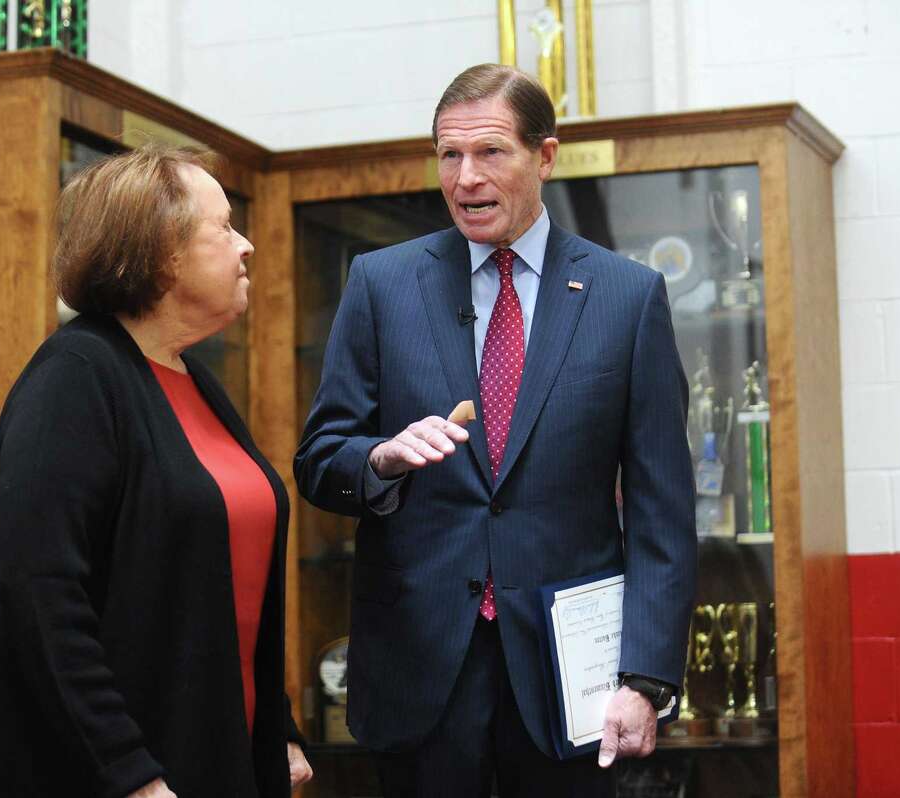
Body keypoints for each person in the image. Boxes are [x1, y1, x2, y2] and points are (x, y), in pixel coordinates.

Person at [294, 64, 696, 798]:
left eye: (490, 153)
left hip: (566, 677)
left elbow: (663, 508)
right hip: (421, 669)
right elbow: (320, 460)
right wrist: (380, 459)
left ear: (544, 156)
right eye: (449, 155)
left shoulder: (627, 297)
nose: (466, 177)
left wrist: (646, 678)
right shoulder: (382, 285)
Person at [0, 144, 312, 798]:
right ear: (163, 253)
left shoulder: (195, 381)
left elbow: (216, 587)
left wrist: (275, 723)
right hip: (83, 765)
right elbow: (42, 595)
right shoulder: (75, 376)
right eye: (223, 227)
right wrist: (128, 771)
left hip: (198, 738)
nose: (247, 246)